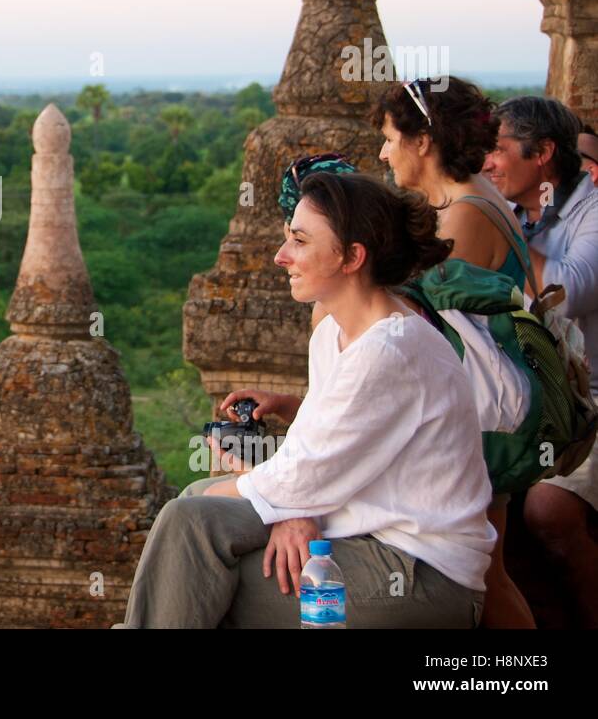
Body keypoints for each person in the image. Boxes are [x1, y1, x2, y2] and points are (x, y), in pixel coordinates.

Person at [114, 172, 493, 628]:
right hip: (358, 534)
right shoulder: (334, 332)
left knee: (198, 554)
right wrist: (290, 508)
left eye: (299, 240)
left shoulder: (390, 350)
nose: (281, 256)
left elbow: (301, 475)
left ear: (352, 257)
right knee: (194, 508)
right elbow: (312, 458)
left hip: (420, 573)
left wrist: (287, 502)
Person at [370, 76, 534, 627]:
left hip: (482, 414)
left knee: (483, 570)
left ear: (422, 141)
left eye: (391, 138)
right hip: (481, 405)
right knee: (486, 566)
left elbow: (420, 320)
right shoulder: (460, 200)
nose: (383, 151)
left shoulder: (463, 214)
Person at [483, 96, 598, 628]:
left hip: (588, 397)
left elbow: (567, 292)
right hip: (529, 393)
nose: (488, 162)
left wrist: (499, 230)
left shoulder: (591, 211)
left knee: (547, 511)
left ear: (544, 152)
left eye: (499, 149)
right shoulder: (517, 214)